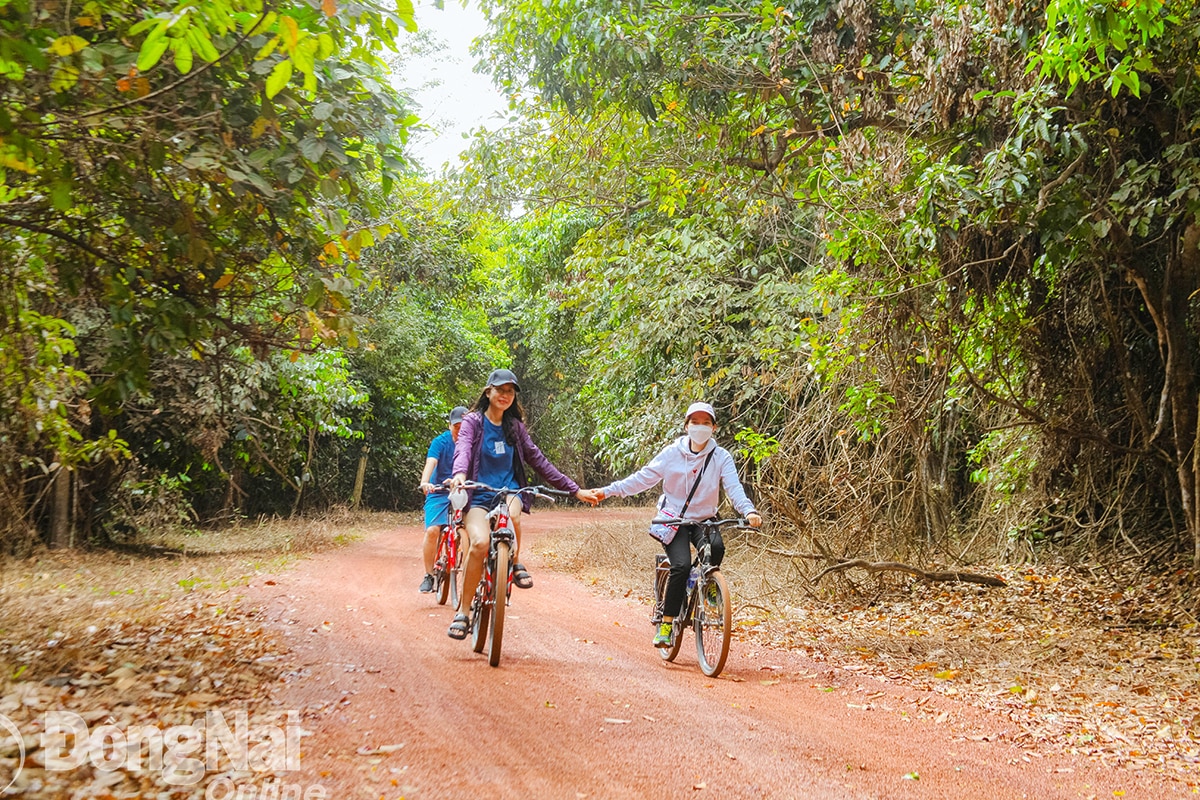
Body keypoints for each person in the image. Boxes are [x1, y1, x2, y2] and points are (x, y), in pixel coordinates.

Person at [446, 368, 600, 639]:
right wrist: (459, 474)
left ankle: (513, 562)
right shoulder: (472, 422)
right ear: (488, 392)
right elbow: (464, 448)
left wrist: (575, 490)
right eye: (500, 390)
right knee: (480, 543)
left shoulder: (515, 428)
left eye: (510, 391)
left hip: (508, 492)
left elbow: (538, 461)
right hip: (478, 495)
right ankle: (464, 612)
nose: (505, 395)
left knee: (513, 516)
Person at [592, 401, 762, 646]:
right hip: (675, 519)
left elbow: (734, 488)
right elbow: (642, 479)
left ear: (714, 428)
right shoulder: (672, 454)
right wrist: (608, 491)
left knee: (717, 548)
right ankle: (667, 623)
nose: (700, 427)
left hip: (704, 519)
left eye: (706, 423)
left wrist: (749, 510)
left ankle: (708, 585)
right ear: (686, 426)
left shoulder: (721, 457)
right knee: (681, 566)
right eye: (695, 422)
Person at [417, 406, 469, 594]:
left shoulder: (472, 443)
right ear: (449, 426)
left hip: (463, 491)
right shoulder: (440, 442)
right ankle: (429, 575)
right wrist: (425, 482)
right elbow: (431, 462)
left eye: (463, 427)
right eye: (456, 426)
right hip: (438, 491)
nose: (459, 431)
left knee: (472, 530)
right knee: (432, 531)